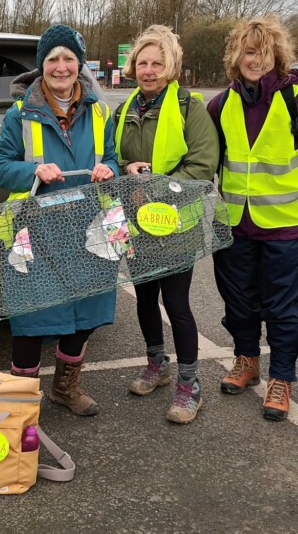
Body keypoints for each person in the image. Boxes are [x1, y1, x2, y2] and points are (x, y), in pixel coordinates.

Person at [0, 24, 119, 416]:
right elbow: (0, 168)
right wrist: (33, 170)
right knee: (33, 320)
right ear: (41, 66)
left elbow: (112, 157)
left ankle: (65, 387)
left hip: (89, 230)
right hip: (37, 232)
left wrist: (109, 170)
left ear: (78, 65)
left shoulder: (99, 111)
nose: (61, 67)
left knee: (86, 316)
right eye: (53, 60)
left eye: (68, 59)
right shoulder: (19, 114)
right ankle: (22, 402)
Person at [206, 17, 298, 422]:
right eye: (248, 52)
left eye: (262, 52)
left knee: (284, 308)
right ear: (236, 57)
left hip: (287, 226)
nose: (254, 60)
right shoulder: (221, 104)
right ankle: (246, 361)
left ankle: (281, 378)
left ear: (277, 55)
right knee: (239, 302)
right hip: (237, 224)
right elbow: (212, 159)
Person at [114, 25, 219, 424]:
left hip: (176, 226)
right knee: (144, 301)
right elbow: (114, 159)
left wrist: (156, 182)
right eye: (142, 62)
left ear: (171, 66)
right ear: (133, 67)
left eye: (158, 63)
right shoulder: (125, 109)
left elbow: (202, 167)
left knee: (176, 304)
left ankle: (190, 384)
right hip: (138, 227)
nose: (149, 70)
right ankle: (157, 364)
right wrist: (127, 169)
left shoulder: (191, 109)